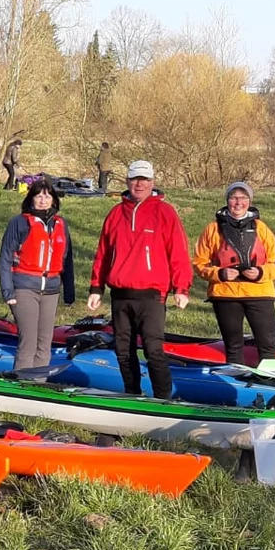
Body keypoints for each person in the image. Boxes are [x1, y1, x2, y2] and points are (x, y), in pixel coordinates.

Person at [85, 160, 191, 396]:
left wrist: (181, 288)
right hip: (120, 294)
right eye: (135, 179)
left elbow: (179, 252)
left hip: (152, 295)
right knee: (123, 350)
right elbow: (103, 253)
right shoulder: (115, 214)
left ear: (152, 182)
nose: (139, 184)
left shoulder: (165, 212)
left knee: (154, 350)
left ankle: (164, 399)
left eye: (144, 180)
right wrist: (96, 288)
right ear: (127, 181)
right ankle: (132, 394)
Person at [192, 180, 275, 367]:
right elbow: (199, 263)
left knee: (267, 346)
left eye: (243, 198)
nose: (238, 202)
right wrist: (220, 274)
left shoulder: (261, 228)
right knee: (233, 347)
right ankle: (236, 386)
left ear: (250, 201)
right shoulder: (212, 229)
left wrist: (260, 273)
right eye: (233, 198)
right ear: (227, 200)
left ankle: (272, 385)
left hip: (259, 294)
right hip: (226, 295)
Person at [0, 176, 75, 375]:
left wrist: (69, 291)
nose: (43, 200)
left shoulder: (60, 224)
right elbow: (5, 256)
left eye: (47, 196)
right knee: (29, 341)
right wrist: (8, 291)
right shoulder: (20, 223)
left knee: (44, 343)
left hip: (50, 290)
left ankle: (37, 385)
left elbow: (67, 257)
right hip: (24, 287)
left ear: (54, 200)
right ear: (31, 198)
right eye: (38, 196)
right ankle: (20, 386)